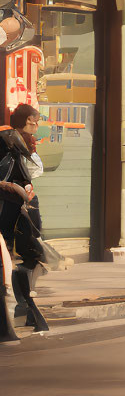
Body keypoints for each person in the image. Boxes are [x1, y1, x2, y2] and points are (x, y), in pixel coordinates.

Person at [0, 103, 47, 336]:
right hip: (14, 202)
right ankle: (23, 305)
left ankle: (24, 305)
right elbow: (34, 169)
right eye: (36, 121)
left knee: (26, 252)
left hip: (19, 202)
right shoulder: (13, 140)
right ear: (29, 120)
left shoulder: (15, 138)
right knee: (25, 251)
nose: (37, 126)